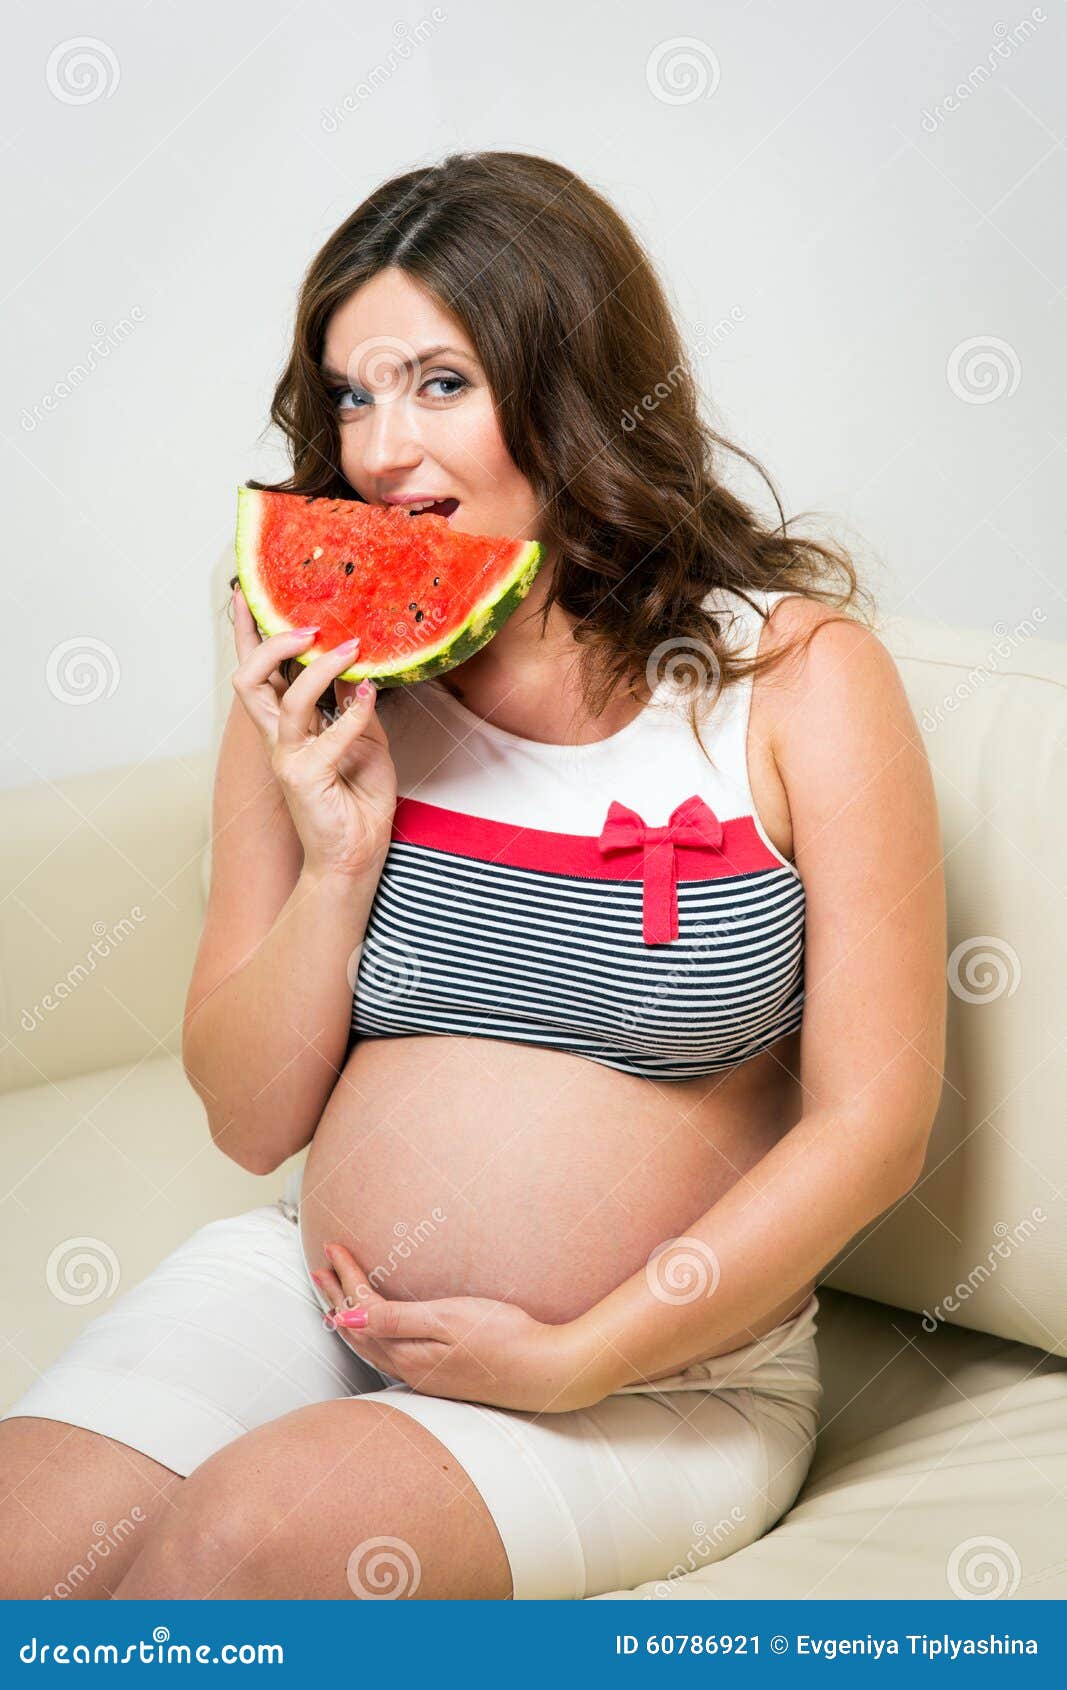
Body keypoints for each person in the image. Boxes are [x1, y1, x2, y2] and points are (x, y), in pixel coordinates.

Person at [0, 150, 946, 1602]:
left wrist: (585, 1353)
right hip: (319, 1293)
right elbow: (249, 1121)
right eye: (351, 397)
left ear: (572, 389)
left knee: (239, 1549)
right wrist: (339, 860)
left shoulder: (798, 677)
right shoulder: (312, 667)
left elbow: (875, 1126)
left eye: (441, 384)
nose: (382, 450)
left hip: (661, 1375)